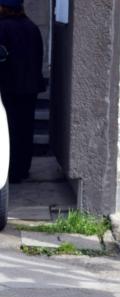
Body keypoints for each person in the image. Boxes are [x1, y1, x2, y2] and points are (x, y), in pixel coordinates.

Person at [0, 0, 45, 183]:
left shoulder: (2, 28)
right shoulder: (32, 27)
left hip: (9, 88)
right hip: (30, 87)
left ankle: (11, 171)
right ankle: (23, 169)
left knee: (8, 130)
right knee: (26, 128)